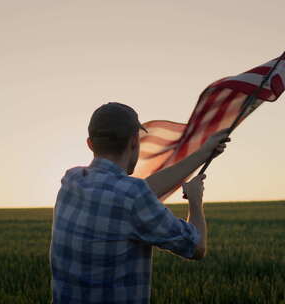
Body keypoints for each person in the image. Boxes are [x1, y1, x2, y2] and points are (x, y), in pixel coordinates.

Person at [50, 102, 230, 303]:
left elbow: (135, 192)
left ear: (90, 144)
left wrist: (202, 154)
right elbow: (196, 246)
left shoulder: (72, 179)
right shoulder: (133, 196)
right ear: (135, 142)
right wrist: (195, 201)